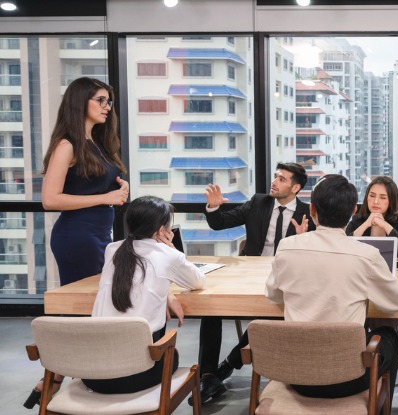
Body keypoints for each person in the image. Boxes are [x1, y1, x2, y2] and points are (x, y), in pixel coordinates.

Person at [26, 77, 129, 409]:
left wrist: (117, 192)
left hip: (99, 234)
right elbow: (50, 199)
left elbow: (94, 190)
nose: (106, 107)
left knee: (90, 309)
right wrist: (108, 196)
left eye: (108, 102)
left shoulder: (95, 142)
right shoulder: (67, 144)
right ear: (80, 101)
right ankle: (60, 377)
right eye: (100, 100)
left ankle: (58, 377)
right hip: (77, 237)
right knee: (84, 310)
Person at [265, 174, 398, 397]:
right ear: (353, 210)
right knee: (388, 334)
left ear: (312, 209)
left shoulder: (286, 247)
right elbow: (397, 302)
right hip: (350, 378)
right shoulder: (366, 255)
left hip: (296, 375)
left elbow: (273, 296)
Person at [192, 162, 316, 405]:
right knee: (211, 306)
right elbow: (220, 223)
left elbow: (314, 253)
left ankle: (229, 363)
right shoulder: (259, 202)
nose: (275, 182)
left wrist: (303, 240)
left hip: (285, 279)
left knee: (270, 314)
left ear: (296, 187)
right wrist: (214, 207)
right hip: (250, 273)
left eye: (282, 179)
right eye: (275, 176)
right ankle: (208, 375)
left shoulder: (307, 213)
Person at [85, 196, 206, 393]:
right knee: (171, 354)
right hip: (137, 376)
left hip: (93, 375)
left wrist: (166, 292)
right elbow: (198, 281)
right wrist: (172, 249)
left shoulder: (112, 249)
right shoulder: (169, 255)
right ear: (161, 230)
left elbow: (135, 279)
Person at [346, 176, 398, 259]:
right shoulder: (358, 219)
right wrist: (366, 224)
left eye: (383, 197)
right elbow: (344, 247)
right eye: (372, 196)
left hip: (394, 270)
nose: (376, 201)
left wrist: (385, 225)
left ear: (392, 200)